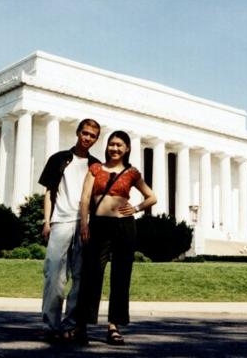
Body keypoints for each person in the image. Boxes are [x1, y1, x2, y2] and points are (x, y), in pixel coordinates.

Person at [76, 130, 157, 345]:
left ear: (127, 148)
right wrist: (85, 223)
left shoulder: (131, 173)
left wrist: (137, 208)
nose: (115, 148)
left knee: (121, 277)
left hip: (124, 227)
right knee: (91, 274)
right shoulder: (95, 169)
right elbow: (85, 199)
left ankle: (114, 326)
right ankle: (82, 324)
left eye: (119, 145)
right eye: (112, 144)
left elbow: (152, 197)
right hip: (99, 225)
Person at [38, 118, 101, 343]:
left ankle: (72, 324)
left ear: (96, 139)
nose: (87, 138)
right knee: (54, 275)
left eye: (93, 136)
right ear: (77, 132)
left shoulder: (96, 165)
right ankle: (51, 325)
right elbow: (49, 192)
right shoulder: (59, 159)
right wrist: (47, 221)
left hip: (85, 225)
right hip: (61, 222)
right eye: (85, 133)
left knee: (81, 277)